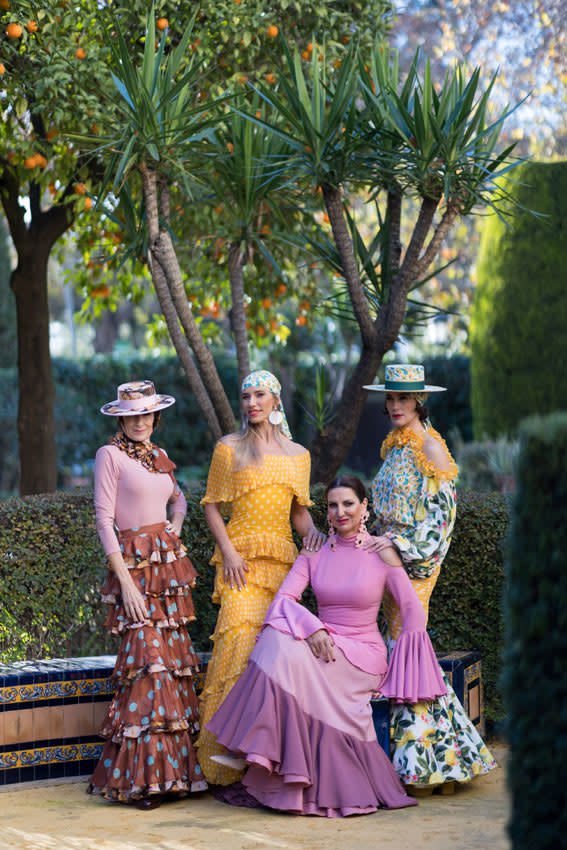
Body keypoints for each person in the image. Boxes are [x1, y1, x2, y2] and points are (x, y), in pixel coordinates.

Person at [205, 474, 448, 817]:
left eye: (348, 503)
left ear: (365, 507)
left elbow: (411, 609)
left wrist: (407, 667)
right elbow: (283, 601)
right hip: (322, 644)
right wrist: (314, 627)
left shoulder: (382, 551)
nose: (340, 512)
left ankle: (254, 749)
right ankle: (258, 750)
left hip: (363, 656)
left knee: (283, 650)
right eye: (333, 505)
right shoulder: (314, 552)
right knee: (277, 638)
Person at [363, 364, 497, 789]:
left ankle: (437, 761)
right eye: (390, 398)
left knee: (408, 650)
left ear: (420, 402)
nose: (395, 405)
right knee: (395, 649)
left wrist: (399, 552)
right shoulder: (395, 447)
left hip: (412, 567)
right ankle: (408, 758)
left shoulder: (431, 448)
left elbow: (442, 523)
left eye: (403, 398)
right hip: (384, 559)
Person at [196, 370, 326, 786]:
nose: (251, 402)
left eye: (259, 395)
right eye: (246, 395)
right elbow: (211, 505)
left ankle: (262, 763)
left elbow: (299, 514)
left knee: (272, 660)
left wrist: (330, 543)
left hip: (283, 570)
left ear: (275, 400)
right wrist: (229, 552)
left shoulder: (299, 455)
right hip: (240, 567)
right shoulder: (229, 448)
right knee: (236, 646)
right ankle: (221, 761)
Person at [87, 380, 207, 809]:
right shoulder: (110, 456)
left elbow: (180, 500)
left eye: (146, 414)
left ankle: (172, 779)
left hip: (167, 575)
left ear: (156, 417)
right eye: (131, 415)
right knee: (148, 667)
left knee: (170, 667)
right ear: (121, 418)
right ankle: (141, 781)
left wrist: (174, 527)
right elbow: (104, 521)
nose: (139, 422)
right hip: (134, 574)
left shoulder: (159, 458)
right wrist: (124, 582)